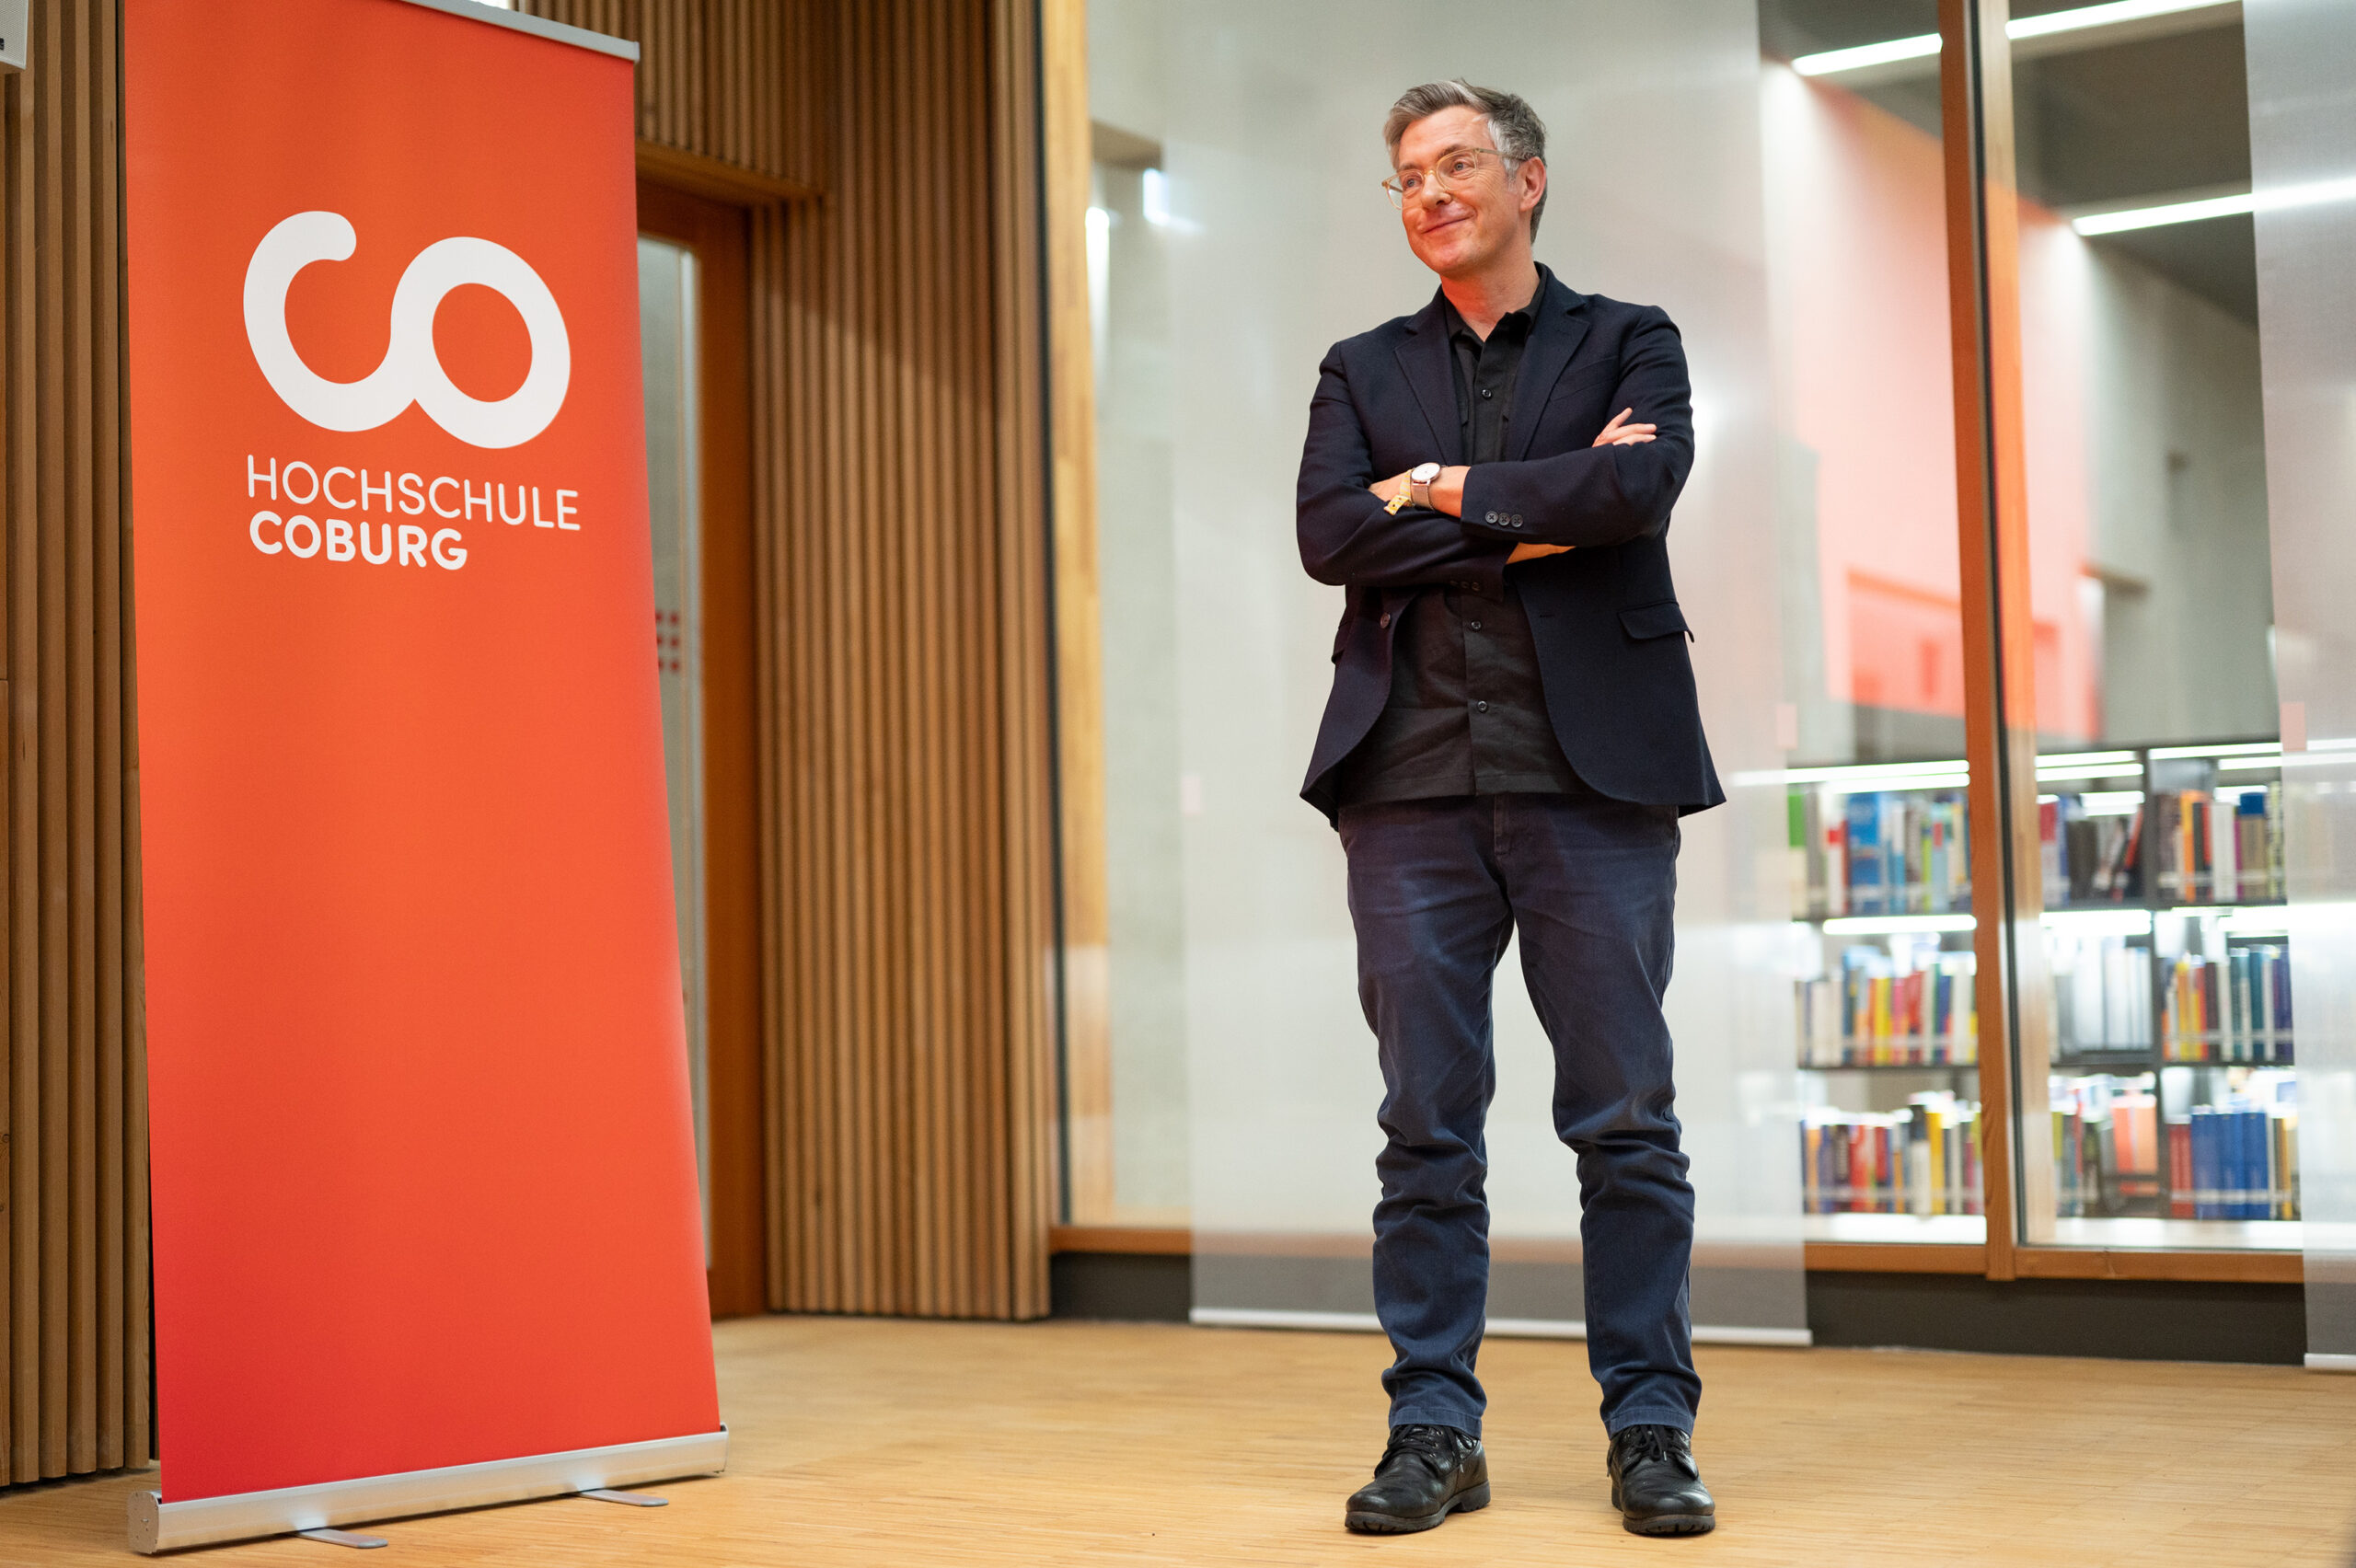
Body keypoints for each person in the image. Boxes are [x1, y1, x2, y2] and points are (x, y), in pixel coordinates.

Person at [1294, 79, 1724, 1539]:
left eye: (1458, 163)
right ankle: (1433, 1430)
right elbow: (1328, 537)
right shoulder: (1360, 366)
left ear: (1529, 180)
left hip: (1593, 783)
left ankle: (1650, 1432)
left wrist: (1434, 493)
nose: (1430, 193)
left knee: (1625, 1122)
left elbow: (1636, 496)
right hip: (1405, 791)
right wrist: (1528, 505)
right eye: (1407, 174)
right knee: (1426, 1128)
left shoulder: (1631, 340)